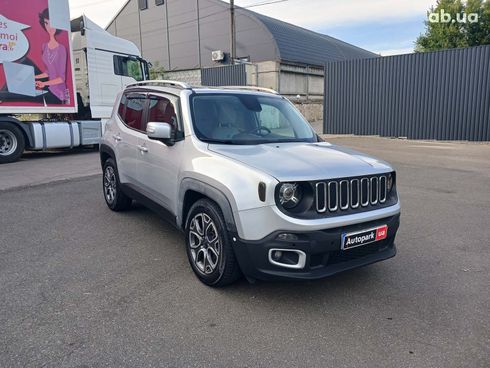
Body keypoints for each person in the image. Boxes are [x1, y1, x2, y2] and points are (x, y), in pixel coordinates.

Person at [34, 8, 69, 105]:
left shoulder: (61, 49)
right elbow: (48, 72)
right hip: (48, 87)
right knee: (26, 62)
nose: (49, 27)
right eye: (46, 23)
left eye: (52, 23)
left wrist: (43, 83)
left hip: (57, 93)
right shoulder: (44, 46)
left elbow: (62, 78)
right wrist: (33, 77)